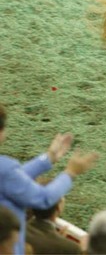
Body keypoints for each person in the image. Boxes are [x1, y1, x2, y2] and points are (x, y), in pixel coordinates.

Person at [0, 104, 99, 255]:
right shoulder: (5, 169)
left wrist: (48, 158)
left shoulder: (6, 171)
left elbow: (12, 177)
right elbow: (43, 198)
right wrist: (70, 172)